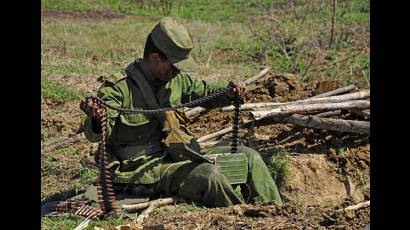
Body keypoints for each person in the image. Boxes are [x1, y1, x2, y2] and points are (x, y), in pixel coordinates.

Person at [77, 17, 282, 209]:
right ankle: (246, 216)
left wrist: (229, 92)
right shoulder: (118, 89)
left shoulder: (176, 80)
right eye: (174, 65)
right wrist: (96, 117)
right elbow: (96, 134)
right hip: (141, 171)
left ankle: (275, 214)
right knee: (209, 175)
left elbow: (207, 93)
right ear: (155, 57)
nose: (178, 71)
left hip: (178, 154)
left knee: (250, 157)